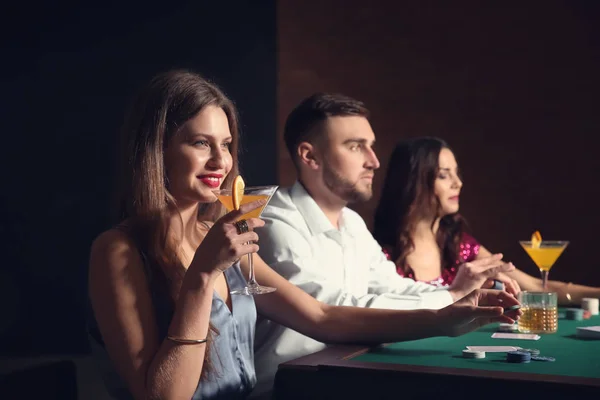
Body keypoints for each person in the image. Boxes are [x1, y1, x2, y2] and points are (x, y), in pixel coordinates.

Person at [87, 72, 521, 400]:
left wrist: (446, 319)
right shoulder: (119, 250)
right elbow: (162, 396)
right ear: (157, 148)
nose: (221, 159)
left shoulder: (221, 236)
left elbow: (321, 317)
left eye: (228, 143)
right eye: (201, 143)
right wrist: (201, 278)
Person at [252, 93, 519, 398]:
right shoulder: (273, 220)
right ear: (310, 156)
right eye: (355, 146)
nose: (374, 161)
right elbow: (333, 308)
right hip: (285, 389)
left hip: (344, 376)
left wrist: (459, 295)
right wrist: (450, 300)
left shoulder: (351, 222)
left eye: (371, 145)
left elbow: (393, 286)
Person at [373, 137, 600, 304]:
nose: (458, 183)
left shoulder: (461, 245)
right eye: (444, 175)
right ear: (413, 182)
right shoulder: (377, 252)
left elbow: (537, 287)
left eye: (456, 173)